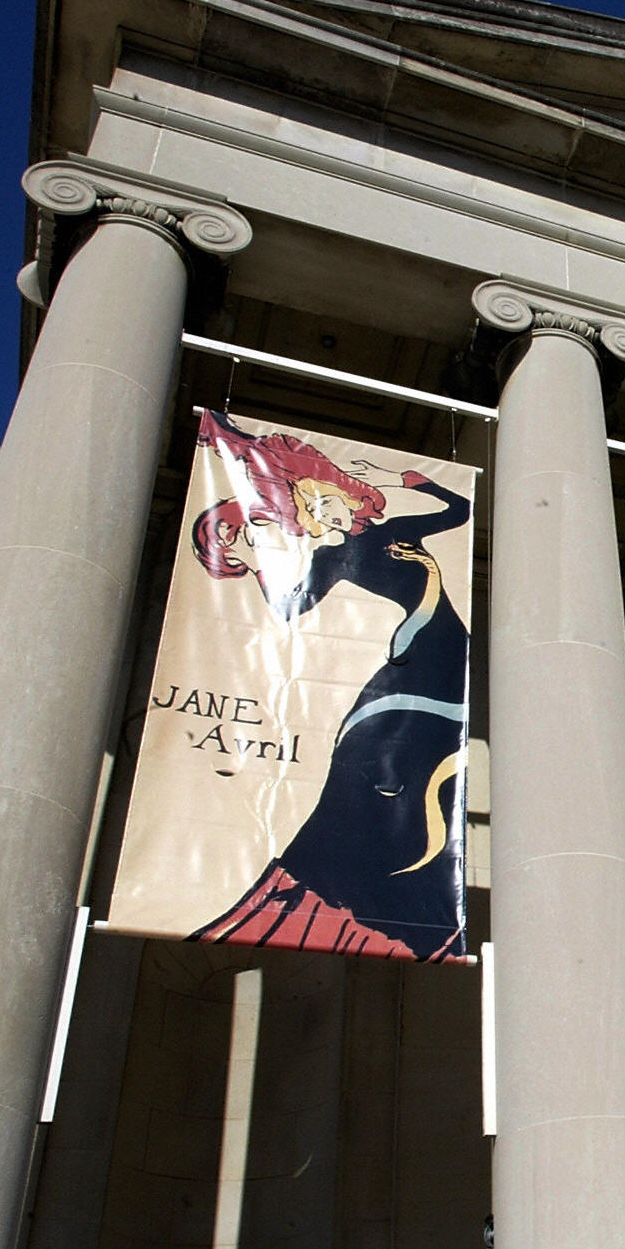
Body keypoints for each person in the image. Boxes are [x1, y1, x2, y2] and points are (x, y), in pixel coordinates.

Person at [185, 411, 471, 960]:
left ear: (338, 488)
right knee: (373, 782)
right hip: (399, 683)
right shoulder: (329, 558)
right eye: (308, 508)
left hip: (445, 662)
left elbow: (456, 512)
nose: (320, 511)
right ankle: (347, 907)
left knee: (414, 785)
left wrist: (420, 483)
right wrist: (254, 561)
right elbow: (290, 608)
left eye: (320, 497)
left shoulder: (393, 531)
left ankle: (386, 906)